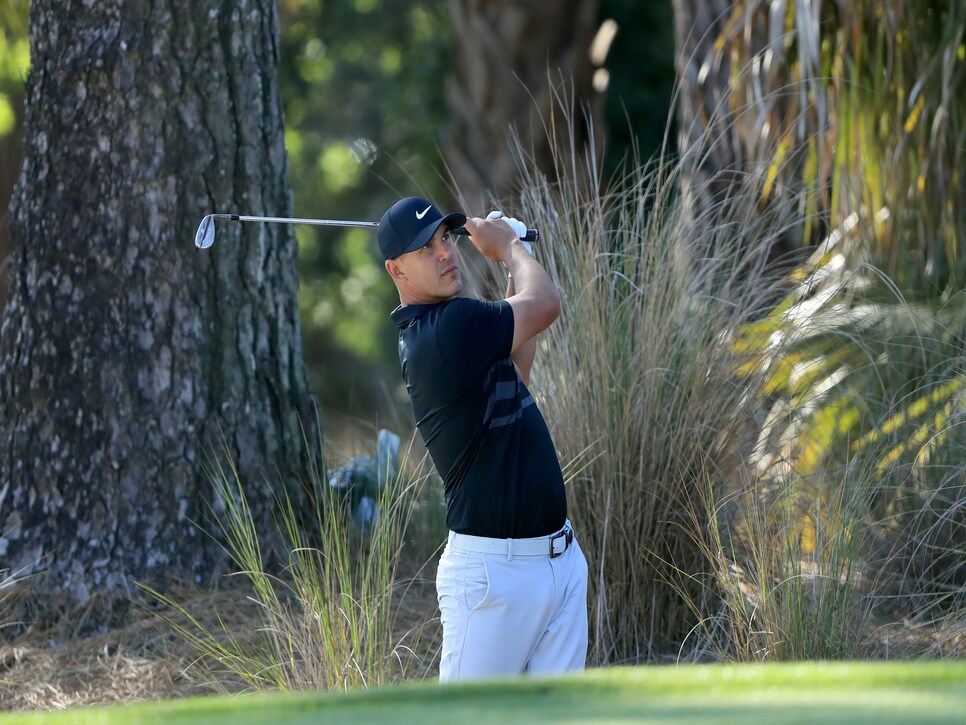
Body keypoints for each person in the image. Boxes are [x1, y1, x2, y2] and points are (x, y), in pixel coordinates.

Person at [378, 196, 588, 681]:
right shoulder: (447, 329)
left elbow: (517, 367)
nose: (445, 252)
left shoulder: (451, 328)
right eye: (424, 249)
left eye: (445, 238)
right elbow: (546, 304)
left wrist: (513, 269)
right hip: (496, 578)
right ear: (396, 270)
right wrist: (512, 246)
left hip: (555, 561)